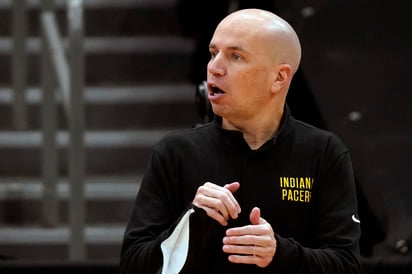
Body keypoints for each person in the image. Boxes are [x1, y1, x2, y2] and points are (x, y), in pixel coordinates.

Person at [118, 8, 361, 274]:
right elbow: (132, 266)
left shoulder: (323, 152)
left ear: (279, 77)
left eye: (235, 56)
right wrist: (189, 224)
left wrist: (279, 254)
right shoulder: (175, 152)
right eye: (213, 53)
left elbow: (346, 266)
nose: (214, 67)